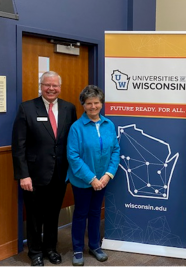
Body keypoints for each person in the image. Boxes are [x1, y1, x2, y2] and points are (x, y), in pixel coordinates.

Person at [12, 71, 77, 267]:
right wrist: (23, 175)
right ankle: (35, 252)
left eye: (55, 85)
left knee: (52, 214)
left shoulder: (69, 108)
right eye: (47, 85)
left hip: (59, 173)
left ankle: (51, 248)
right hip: (34, 174)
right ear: (41, 86)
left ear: (60, 87)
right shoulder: (27, 108)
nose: (51, 88)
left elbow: (71, 141)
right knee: (34, 216)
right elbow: (19, 145)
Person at [66, 85, 120, 267]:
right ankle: (78, 249)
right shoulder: (76, 128)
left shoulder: (109, 125)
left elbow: (115, 151)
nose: (93, 106)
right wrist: (92, 179)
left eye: (96, 103)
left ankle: (95, 246)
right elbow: (73, 156)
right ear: (83, 105)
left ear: (101, 104)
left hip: (103, 180)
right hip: (82, 181)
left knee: (96, 213)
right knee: (81, 213)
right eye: (89, 103)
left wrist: (107, 175)